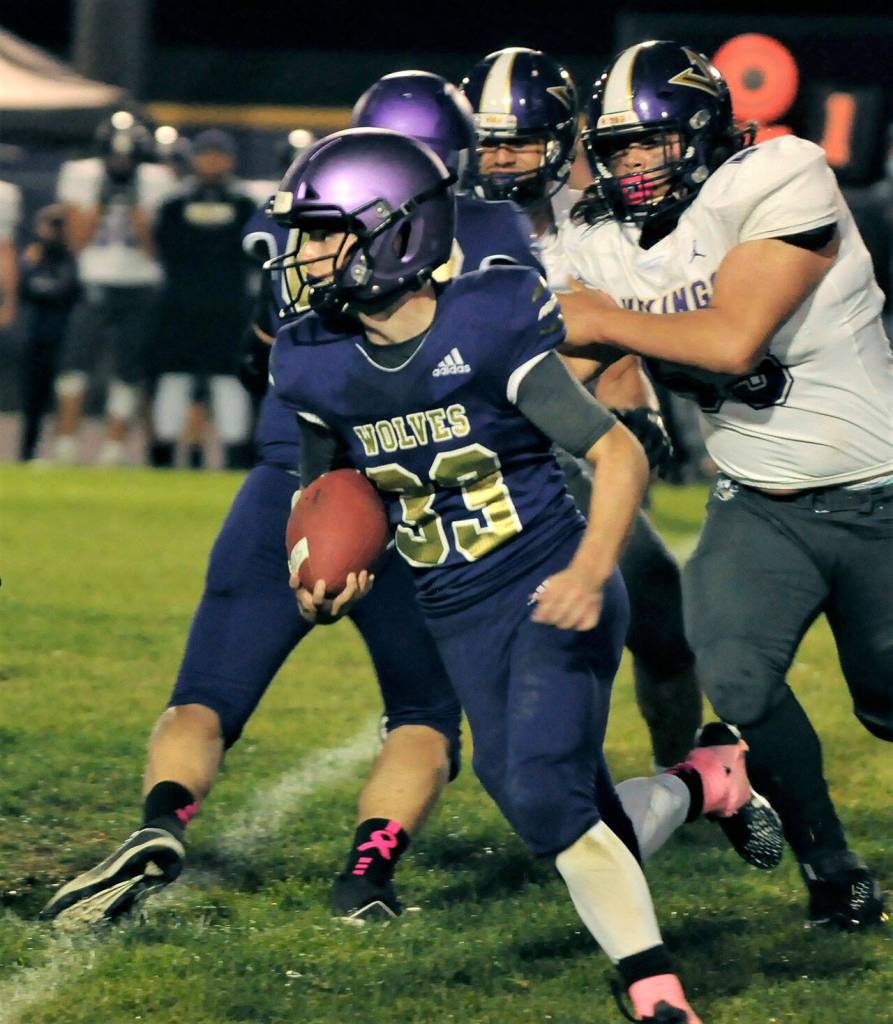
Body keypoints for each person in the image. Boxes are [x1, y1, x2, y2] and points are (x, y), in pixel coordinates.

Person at [268, 127, 783, 1024]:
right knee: (578, 827)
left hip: (548, 578)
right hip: (454, 610)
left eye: (323, 232)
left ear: (396, 234)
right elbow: (329, 493)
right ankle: (708, 781)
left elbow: (616, 455)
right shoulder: (313, 360)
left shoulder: (489, 321)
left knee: (547, 797)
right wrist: (319, 575)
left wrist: (589, 571)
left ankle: (654, 994)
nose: (304, 254)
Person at [41, 79, 543, 930]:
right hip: (415, 494)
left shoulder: (304, 233)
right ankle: (366, 874)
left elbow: (269, 345)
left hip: (291, 483)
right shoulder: (488, 233)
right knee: (421, 715)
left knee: (202, 695)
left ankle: (164, 820)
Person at [558, 40, 892, 929]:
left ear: (702, 133)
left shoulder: (780, 174)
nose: (630, 164)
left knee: (886, 700)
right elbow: (549, 360)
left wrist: (594, 316)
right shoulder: (599, 240)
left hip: (877, 496)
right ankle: (830, 865)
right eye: (616, 146)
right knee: (733, 677)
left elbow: (732, 338)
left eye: (648, 142)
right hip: (755, 501)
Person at [461, 47, 703, 770]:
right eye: (488, 144)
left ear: (563, 139)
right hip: (458, 457)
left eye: (519, 143)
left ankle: (681, 777)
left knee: (658, 612)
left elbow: (621, 334)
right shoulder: (440, 223)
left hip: (559, 450)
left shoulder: (597, 221)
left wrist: (639, 411)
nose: (501, 162)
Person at [52, 111, 174, 465]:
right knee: (74, 366)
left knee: (129, 369)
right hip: (94, 279)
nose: (120, 163)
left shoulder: (156, 179)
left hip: (141, 284)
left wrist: (134, 206)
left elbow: (155, 248)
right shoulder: (81, 175)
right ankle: (64, 444)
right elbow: (76, 241)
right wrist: (103, 201)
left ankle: (114, 449)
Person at [149, 130, 258, 470]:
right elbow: (163, 251)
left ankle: (234, 457)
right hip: (180, 308)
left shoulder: (245, 205)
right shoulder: (173, 204)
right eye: (206, 154)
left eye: (219, 154)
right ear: (194, 158)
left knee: (229, 380)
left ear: (231, 159)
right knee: (173, 377)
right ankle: (163, 455)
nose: (212, 160)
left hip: (229, 309)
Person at [18, 205, 80, 461]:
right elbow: (27, 289)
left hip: (68, 339)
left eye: (58, 225)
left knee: (68, 394)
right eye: (49, 225)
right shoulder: (30, 258)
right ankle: (27, 453)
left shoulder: (73, 258)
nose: (53, 232)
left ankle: (65, 450)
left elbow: (63, 291)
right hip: (36, 337)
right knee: (33, 400)